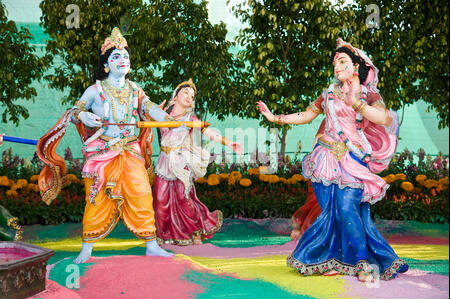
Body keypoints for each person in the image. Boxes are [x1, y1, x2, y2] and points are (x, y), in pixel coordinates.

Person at [258, 38, 408, 282]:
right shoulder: (328, 93)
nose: (337, 67)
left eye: (342, 61)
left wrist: (357, 104)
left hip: (353, 159)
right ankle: (333, 258)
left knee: (349, 207)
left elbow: (383, 118)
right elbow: (308, 114)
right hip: (325, 159)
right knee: (332, 211)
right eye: (335, 63)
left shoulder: (369, 94)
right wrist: (276, 118)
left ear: (357, 67)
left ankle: (362, 262)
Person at [37, 27, 174, 263]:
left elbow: (150, 109)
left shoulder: (135, 90)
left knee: (142, 193)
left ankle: (151, 245)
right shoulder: (95, 90)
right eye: (116, 57)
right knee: (95, 198)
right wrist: (83, 116)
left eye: (126, 56)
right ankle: (87, 248)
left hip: (130, 151)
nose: (123, 60)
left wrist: (168, 119)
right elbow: (74, 111)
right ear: (107, 64)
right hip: (102, 152)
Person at [153, 79, 243, 245]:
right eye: (185, 92)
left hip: (180, 162)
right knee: (160, 200)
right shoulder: (162, 113)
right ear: (176, 94)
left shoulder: (190, 117)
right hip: (164, 162)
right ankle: (164, 235)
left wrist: (229, 142)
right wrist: (152, 115)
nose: (189, 96)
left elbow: (208, 132)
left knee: (183, 197)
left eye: (192, 95)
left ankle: (195, 231)